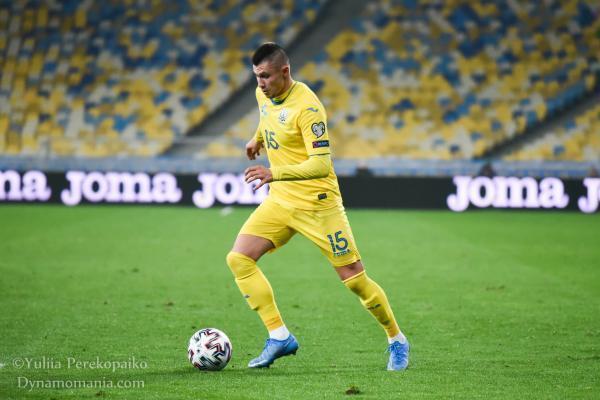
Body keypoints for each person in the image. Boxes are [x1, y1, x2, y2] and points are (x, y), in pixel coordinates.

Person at [225, 42, 409, 371]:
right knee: (239, 259)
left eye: (265, 76)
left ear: (285, 72)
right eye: (256, 76)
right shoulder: (263, 94)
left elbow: (321, 164)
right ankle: (279, 336)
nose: (260, 83)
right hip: (281, 201)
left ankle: (396, 339)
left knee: (355, 280)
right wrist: (258, 139)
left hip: (318, 206)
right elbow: (268, 118)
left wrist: (273, 173)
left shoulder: (308, 108)